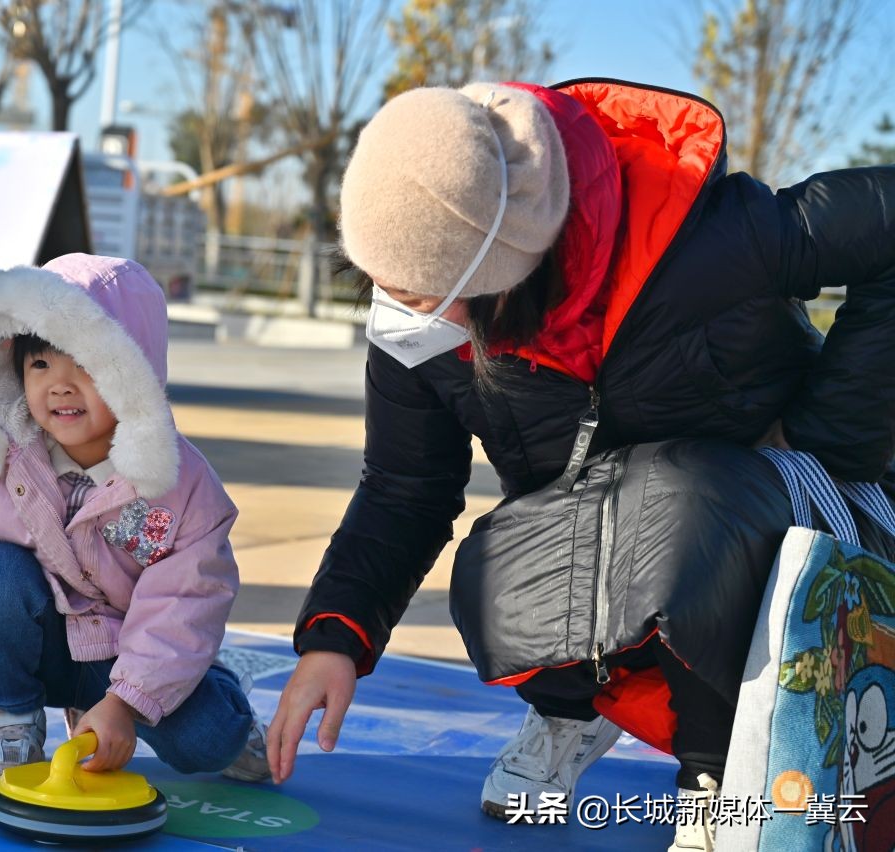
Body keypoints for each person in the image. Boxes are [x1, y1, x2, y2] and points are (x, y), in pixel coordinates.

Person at [266, 79, 895, 851]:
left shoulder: (705, 240)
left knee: (677, 508)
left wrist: (828, 438)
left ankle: (721, 778)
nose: (406, 313)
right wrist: (337, 638)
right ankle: (574, 709)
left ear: (507, 271)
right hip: (633, 523)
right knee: (498, 568)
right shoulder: (417, 319)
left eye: (428, 295)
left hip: (790, 509)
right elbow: (406, 489)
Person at [0, 253, 269, 789]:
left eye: (84, 366)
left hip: (133, 654)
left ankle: (225, 706)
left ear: (133, 374)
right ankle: (9, 726)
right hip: (47, 646)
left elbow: (187, 600)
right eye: (40, 365)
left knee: (204, 744)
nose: (59, 386)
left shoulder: (179, 484)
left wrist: (125, 704)